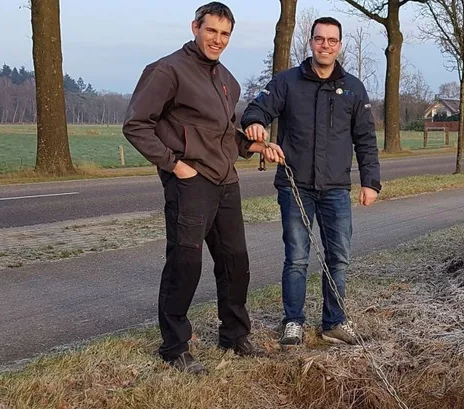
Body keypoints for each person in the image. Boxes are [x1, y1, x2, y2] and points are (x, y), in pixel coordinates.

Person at [123, 2, 279, 374]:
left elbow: (223, 136)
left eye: (225, 34)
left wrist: (253, 146)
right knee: (185, 262)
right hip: (191, 184)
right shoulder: (167, 70)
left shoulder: (227, 79)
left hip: (226, 182)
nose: (218, 40)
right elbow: (136, 125)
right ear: (195, 27)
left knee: (235, 262)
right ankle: (175, 346)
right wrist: (175, 165)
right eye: (211, 31)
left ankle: (235, 335)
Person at [242, 16, 381, 348]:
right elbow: (256, 109)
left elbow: (365, 139)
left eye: (332, 41)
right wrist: (255, 125)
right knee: (297, 257)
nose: (325, 46)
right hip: (295, 186)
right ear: (311, 42)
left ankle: (333, 321)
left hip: (335, 188)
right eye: (320, 39)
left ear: (340, 45)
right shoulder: (287, 82)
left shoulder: (353, 88)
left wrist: (370, 182)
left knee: (339, 256)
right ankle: (293, 321)